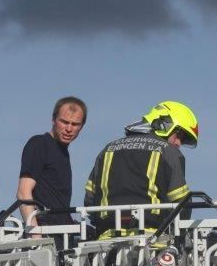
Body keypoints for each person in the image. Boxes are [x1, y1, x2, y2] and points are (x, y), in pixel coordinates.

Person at [83, 100, 197, 238]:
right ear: (164, 124)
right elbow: (181, 203)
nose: (179, 143)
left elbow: (90, 200)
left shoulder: (108, 149)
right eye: (179, 136)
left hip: (105, 243)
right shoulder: (169, 153)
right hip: (153, 241)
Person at [17, 96, 87, 235]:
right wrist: (36, 236)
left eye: (75, 124)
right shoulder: (39, 144)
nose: (69, 129)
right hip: (45, 231)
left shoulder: (63, 152)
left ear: (82, 127)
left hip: (63, 233)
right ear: (53, 120)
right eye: (64, 122)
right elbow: (23, 192)